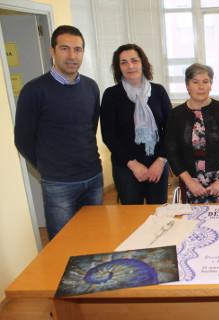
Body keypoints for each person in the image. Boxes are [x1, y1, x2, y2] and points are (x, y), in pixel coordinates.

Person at [14, 25, 103, 239]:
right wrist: (48, 166)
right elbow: (23, 138)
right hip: (59, 184)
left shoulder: (91, 87)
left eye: (78, 49)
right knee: (63, 244)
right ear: (52, 51)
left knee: (95, 237)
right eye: (64, 48)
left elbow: (90, 127)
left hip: (93, 177)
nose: (72, 56)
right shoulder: (34, 90)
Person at [100, 44, 171, 205]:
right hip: (126, 167)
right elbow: (109, 136)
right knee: (131, 218)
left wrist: (160, 161)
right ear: (118, 68)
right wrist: (133, 164)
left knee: (158, 214)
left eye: (134, 60)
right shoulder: (111, 95)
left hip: (157, 165)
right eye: (124, 62)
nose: (130, 66)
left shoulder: (158, 92)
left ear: (142, 63)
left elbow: (170, 130)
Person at [165, 63, 219, 204]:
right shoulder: (176, 115)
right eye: (195, 82)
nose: (201, 87)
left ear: (211, 85)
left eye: (205, 82)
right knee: (192, 224)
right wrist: (189, 183)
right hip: (190, 183)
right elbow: (172, 152)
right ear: (187, 86)